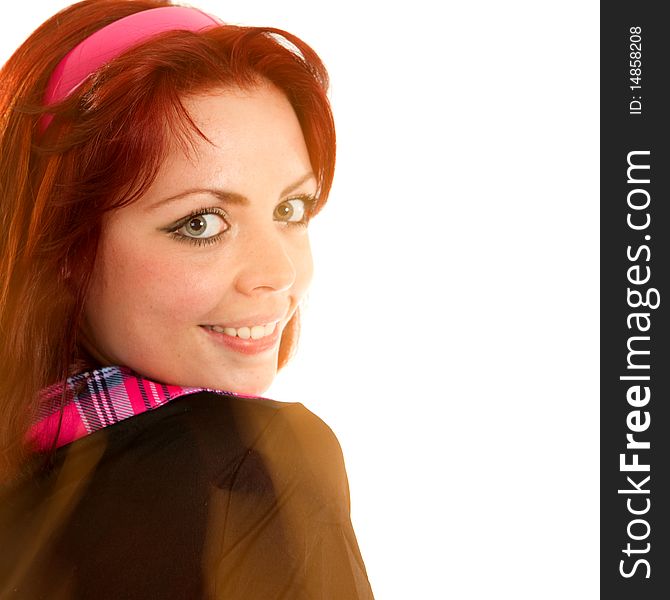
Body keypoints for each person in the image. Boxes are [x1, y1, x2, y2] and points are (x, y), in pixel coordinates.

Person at [0, 1, 374, 597]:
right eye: (201, 223)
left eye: (290, 210)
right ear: (66, 251)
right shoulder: (249, 467)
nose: (277, 273)